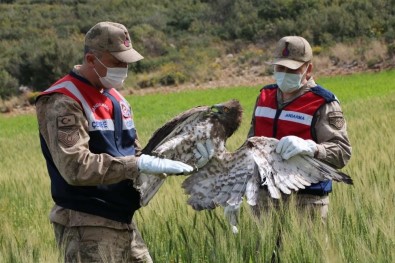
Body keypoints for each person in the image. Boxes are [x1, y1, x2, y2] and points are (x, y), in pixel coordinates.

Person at [36, 21, 212, 263]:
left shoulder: (117, 99)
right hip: (86, 225)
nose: (124, 68)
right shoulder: (64, 101)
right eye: (117, 62)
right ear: (90, 59)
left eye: (127, 62)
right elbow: (75, 167)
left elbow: (137, 154)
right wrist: (137, 165)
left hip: (123, 221)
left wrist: (184, 159)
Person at [248, 36, 352, 260]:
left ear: (309, 68)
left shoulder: (323, 103)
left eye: (292, 69)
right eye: (280, 67)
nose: (284, 73)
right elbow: (251, 146)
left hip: (306, 203)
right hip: (265, 200)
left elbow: (342, 152)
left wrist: (311, 148)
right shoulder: (264, 97)